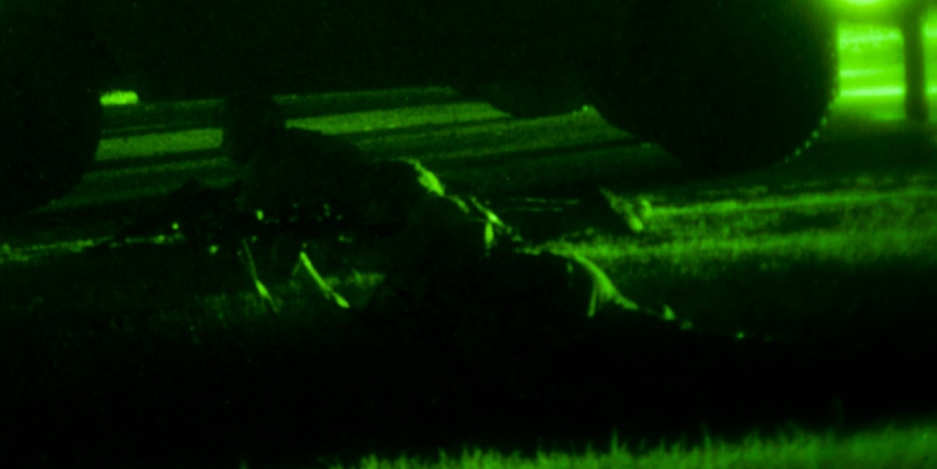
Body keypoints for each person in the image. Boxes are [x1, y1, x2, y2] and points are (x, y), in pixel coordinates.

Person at [216, 93, 639, 339]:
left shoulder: (266, 168)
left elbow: (287, 254)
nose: (223, 143)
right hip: (401, 183)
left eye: (229, 131)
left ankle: (585, 214)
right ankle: (585, 213)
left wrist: (319, 259)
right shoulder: (298, 144)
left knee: (477, 230)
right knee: (491, 222)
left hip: (393, 203)